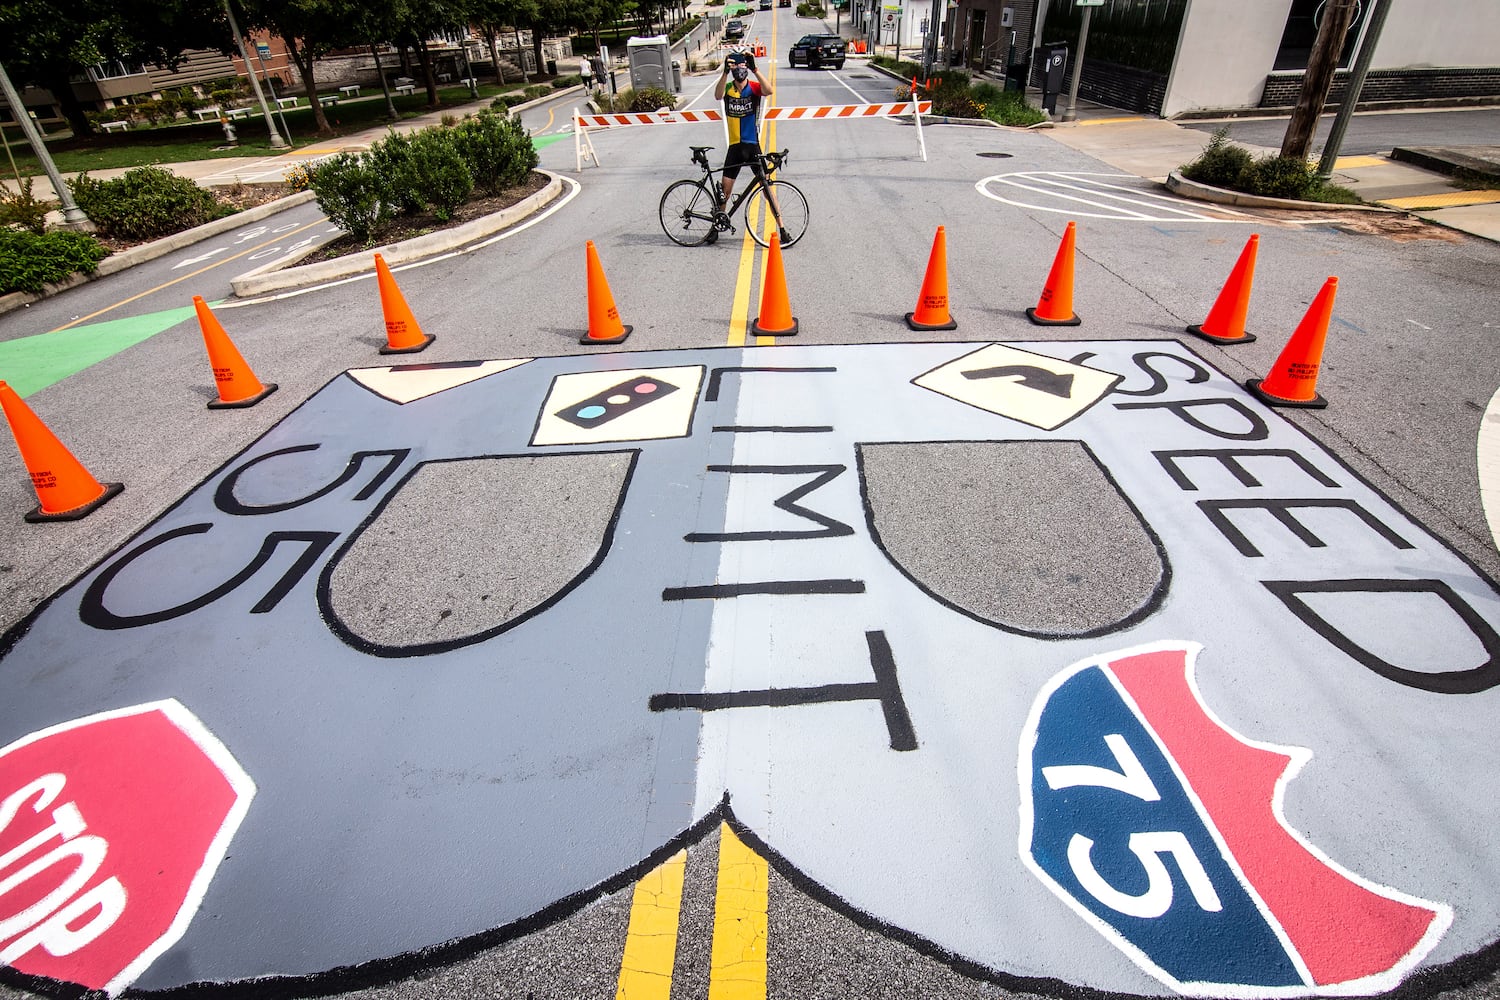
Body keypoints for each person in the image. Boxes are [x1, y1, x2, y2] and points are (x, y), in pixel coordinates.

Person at [713, 51, 785, 244]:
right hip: (735, 148)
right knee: (725, 192)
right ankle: (717, 225)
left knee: (767, 188)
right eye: (737, 67)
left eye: (742, 67)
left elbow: (769, 90)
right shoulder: (728, 87)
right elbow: (717, 95)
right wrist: (725, 73)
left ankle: (782, 228)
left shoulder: (753, 88)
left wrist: (755, 69)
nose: (740, 71)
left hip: (752, 146)